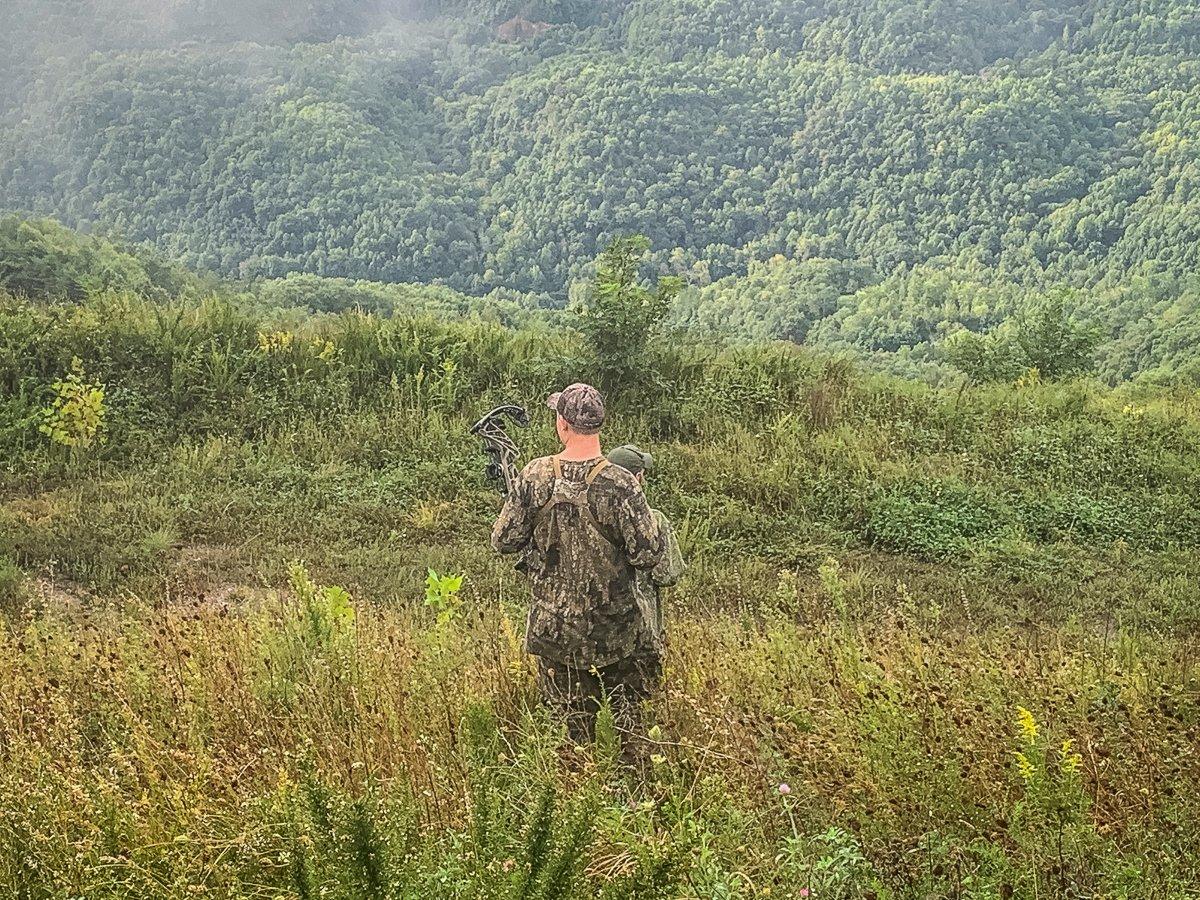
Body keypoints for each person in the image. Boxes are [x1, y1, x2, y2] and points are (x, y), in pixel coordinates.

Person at [491, 383, 665, 745]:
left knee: (570, 736)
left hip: (555, 632)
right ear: (599, 425)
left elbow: (503, 541)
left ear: (562, 425)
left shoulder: (535, 476)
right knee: (627, 729)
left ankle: (578, 792)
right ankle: (633, 797)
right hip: (616, 632)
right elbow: (649, 553)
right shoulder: (622, 483)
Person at [606, 444, 684, 659]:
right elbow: (666, 575)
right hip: (644, 628)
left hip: (598, 629)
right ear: (638, 478)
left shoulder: (587, 517)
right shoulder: (654, 519)